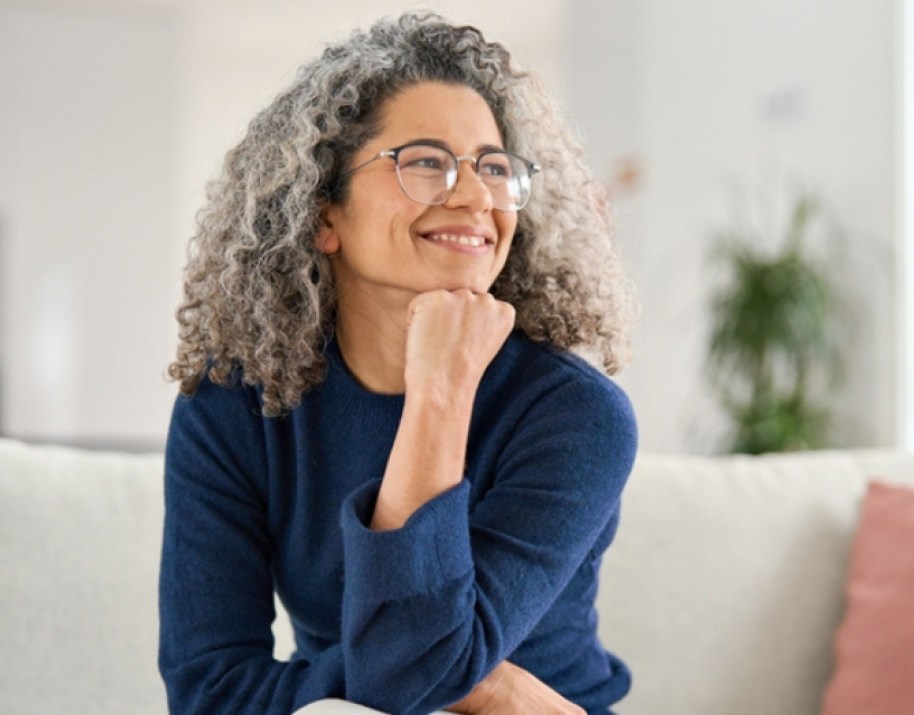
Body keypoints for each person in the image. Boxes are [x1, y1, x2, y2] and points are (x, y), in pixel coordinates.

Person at [157, 11, 639, 715]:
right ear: (323, 215)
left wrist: (441, 389)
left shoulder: (576, 415)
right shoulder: (231, 402)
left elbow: (412, 665)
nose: (476, 197)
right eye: (425, 161)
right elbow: (208, 690)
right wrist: (490, 684)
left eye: (494, 168)